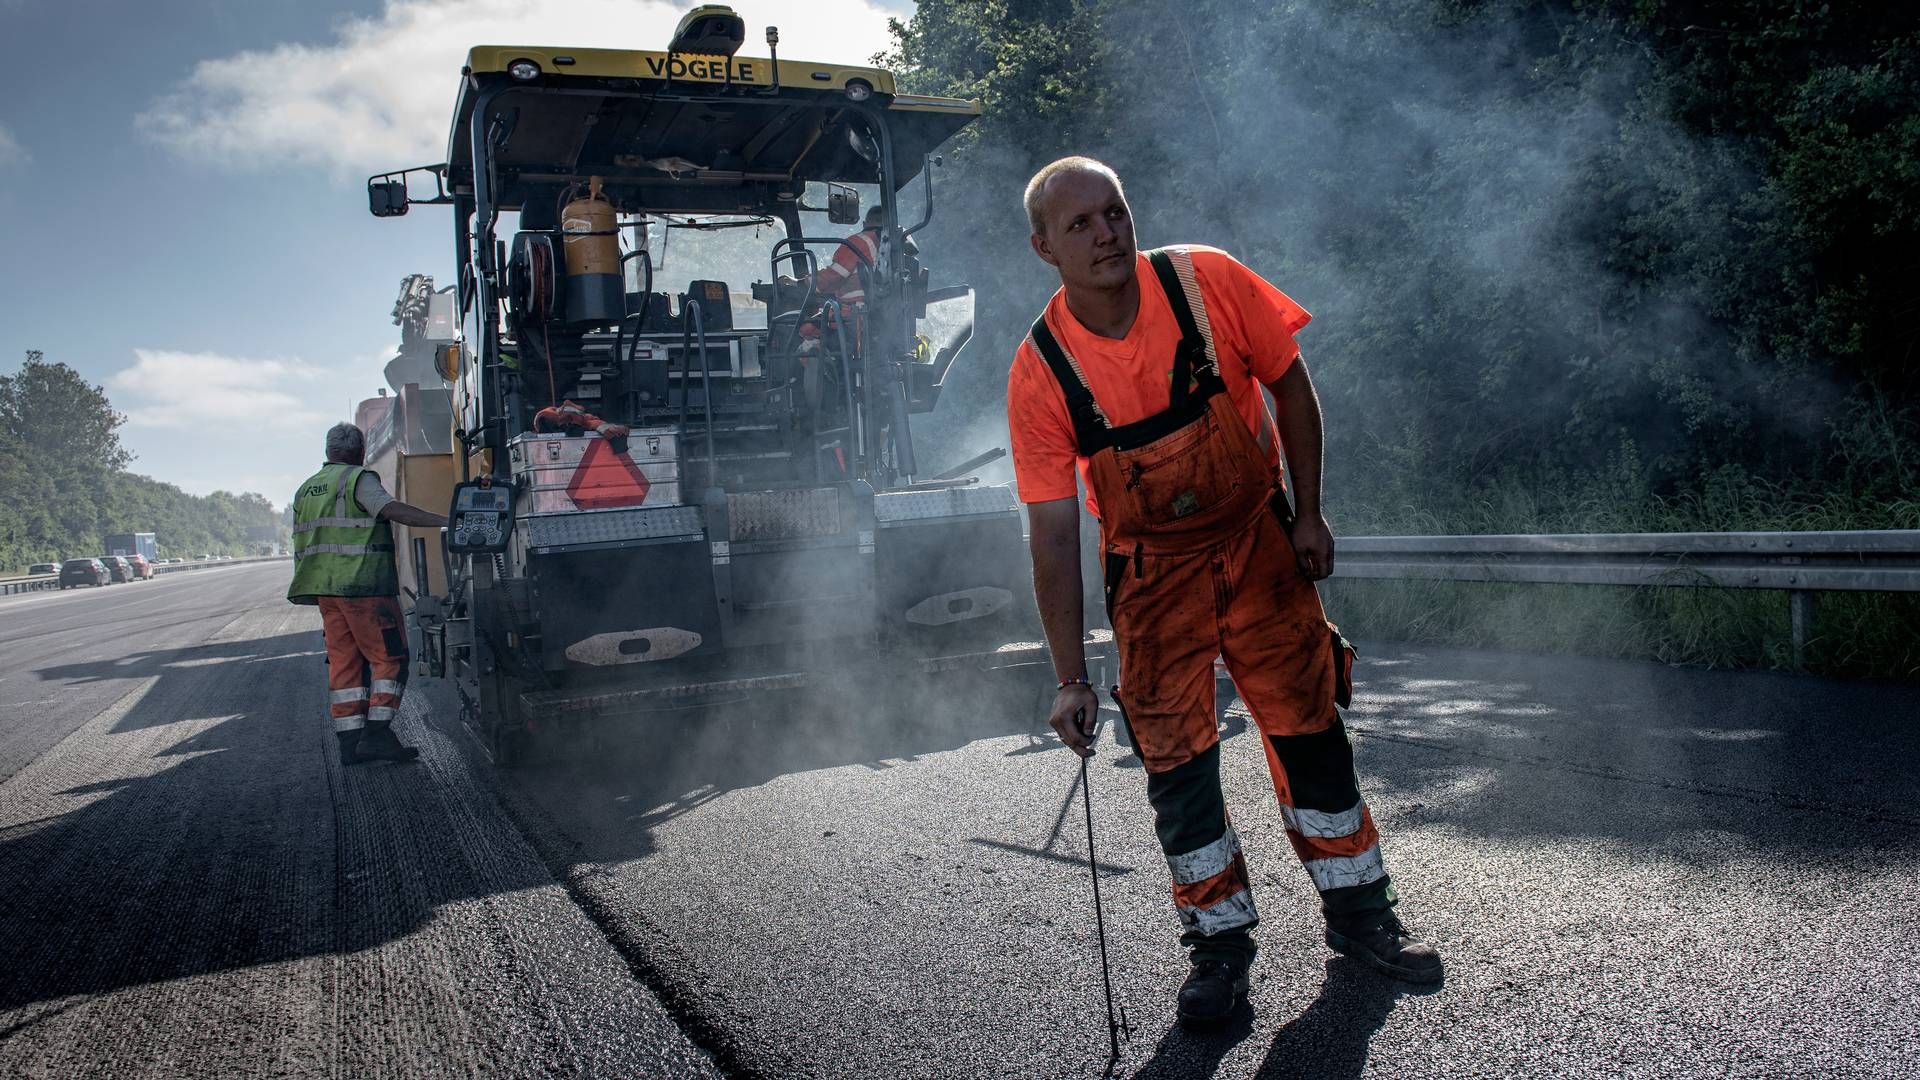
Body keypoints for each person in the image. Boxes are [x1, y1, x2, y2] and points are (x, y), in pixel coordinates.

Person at [1007, 157, 1443, 1028]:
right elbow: (1053, 532)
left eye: (1115, 212)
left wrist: (1310, 514)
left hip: (1258, 544)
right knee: (1179, 769)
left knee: (1309, 731)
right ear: (1044, 247)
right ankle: (1218, 951)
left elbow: (1290, 384)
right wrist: (1069, 673)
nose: (1107, 233)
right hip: (1151, 576)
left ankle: (1361, 916)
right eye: (1082, 224)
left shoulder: (1206, 283)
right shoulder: (1042, 369)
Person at [287, 422, 448, 766]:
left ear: (328, 452)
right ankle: (375, 736)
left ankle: (349, 744)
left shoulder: (306, 489)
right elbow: (391, 510)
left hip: (325, 592)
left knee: (345, 666)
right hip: (363, 588)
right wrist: (446, 520)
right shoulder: (358, 479)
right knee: (391, 659)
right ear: (360, 451)